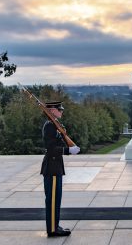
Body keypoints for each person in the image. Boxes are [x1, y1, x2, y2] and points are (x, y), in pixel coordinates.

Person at [40, 101, 80, 237]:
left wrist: (63, 134)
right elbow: (51, 149)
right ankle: (52, 229)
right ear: (51, 111)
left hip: (55, 167)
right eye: (59, 109)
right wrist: (68, 150)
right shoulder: (49, 126)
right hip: (51, 168)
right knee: (52, 200)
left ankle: (55, 226)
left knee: (56, 200)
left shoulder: (54, 125)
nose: (61, 111)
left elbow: (59, 142)